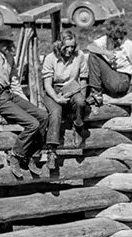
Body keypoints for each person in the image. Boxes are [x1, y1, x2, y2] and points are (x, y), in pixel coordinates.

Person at [0, 26, 48, 179]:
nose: (6, 45)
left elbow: (14, 81)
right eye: (2, 42)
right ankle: (15, 155)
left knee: (42, 116)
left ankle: (29, 155)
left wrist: (25, 103)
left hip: (8, 93)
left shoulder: (9, 57)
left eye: (7, 42)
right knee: (32, 124)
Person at [42, 30, 89, 169]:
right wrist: (57, 98)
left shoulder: (79, 56)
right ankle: (51, 151)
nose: (69, 50)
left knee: (81, 102)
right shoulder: (50, 58)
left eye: (72, 47)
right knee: (55, 113)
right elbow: (47, 84)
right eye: (66, 47)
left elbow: (84, 78)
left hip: (72, 88)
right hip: (54, 90)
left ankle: (79, 126)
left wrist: (82, 96)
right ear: (59, 46)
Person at [86, 19, 132, 106]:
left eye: (121, 38)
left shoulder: (130, 46)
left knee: (94, 56)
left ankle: (96, 92)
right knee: (93, 55)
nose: (119, 41)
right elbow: (90, 47)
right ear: (110, 36)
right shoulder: (105, 40)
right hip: (110, 80)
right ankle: (95, 92)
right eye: (116, 38)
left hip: (121, 81)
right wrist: (106, 52)